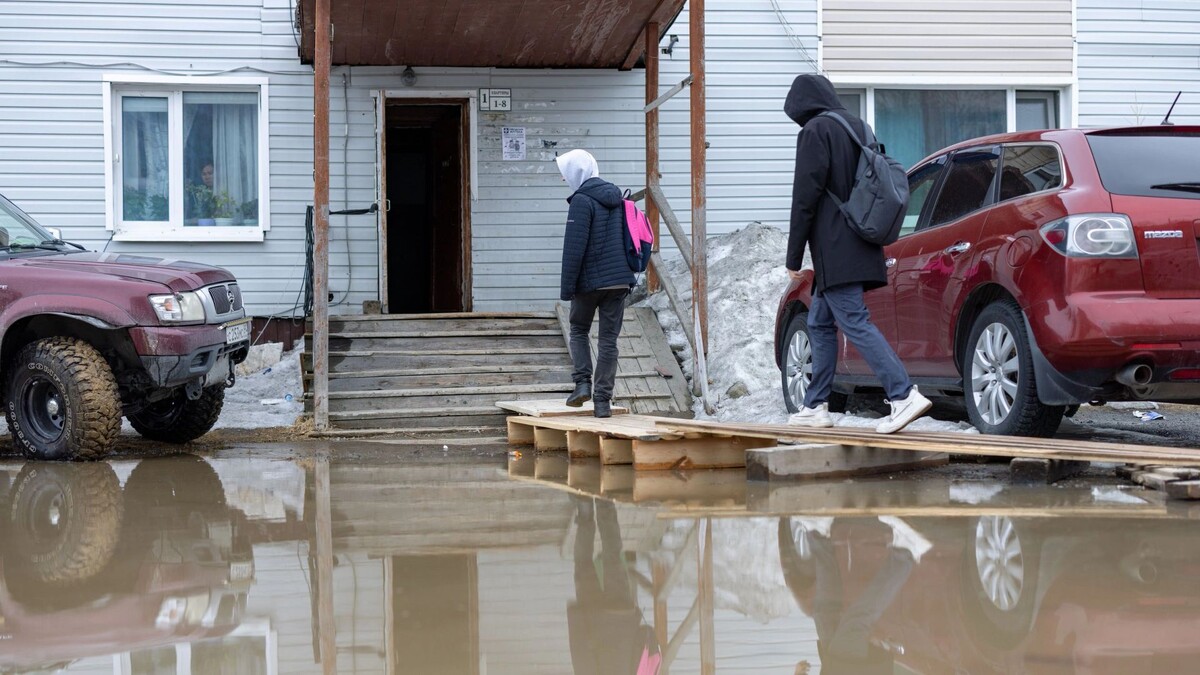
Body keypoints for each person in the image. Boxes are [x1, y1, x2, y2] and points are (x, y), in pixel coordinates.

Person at [783, 74, 932, 434]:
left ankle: (903, 395)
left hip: (836, 246)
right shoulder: (858, 127)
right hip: (861, 239)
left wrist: (793, 257)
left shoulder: (816, 131)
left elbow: (805, 197)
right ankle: (816, 404)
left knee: (854, 321)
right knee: (819, 321)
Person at [557, 149, 634, 419]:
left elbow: (574, 249)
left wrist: (567, 288)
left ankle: (582, 384)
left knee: (578, 330)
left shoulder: (582, 200)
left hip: (590, 282)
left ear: (575, 173)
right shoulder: (619, 198)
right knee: (609, 341)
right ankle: (602, 402)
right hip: (619, 280)